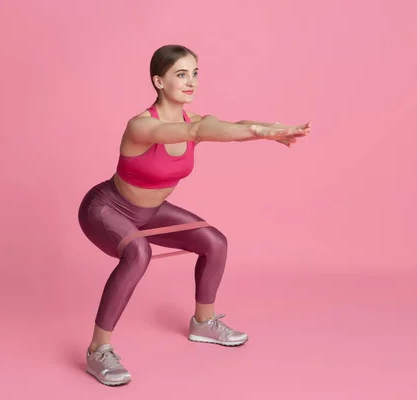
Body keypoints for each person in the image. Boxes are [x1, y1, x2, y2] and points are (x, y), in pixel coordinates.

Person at [77, 44, 310, 386]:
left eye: (195, 73)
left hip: (150, 212)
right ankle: (99, 350)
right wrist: (260, 133)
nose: (192, 82)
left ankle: (203, 323)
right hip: (105, 209)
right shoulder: (142, 126)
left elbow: (229, 125)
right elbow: (196, 132)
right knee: (138, 253)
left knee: (214, 242)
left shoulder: (195, 121)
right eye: (181, 74)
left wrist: (273, 128)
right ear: (158, 81)